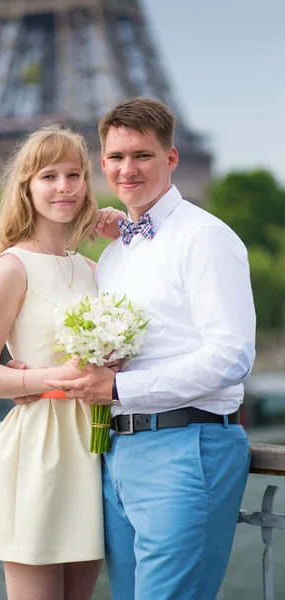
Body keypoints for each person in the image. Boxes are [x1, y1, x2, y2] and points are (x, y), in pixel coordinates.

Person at [45, 97, 256, 600]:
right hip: (119, 451)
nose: (127, 169)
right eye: (116, 158)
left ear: (172, 158)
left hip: (186, 447)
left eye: (141, 155)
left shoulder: (205, 238)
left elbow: (232, 355)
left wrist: (118, 385)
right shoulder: (116, 252)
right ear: (102, 164)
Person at [0, 124, 123, 600]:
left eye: (74, 175)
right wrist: (44, 376)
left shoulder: (94, 267)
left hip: (95, 445)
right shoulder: (11, 267)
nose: (64, 187)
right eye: (49, 175)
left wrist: (126, 238)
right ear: (26, 188)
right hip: (40, 447)